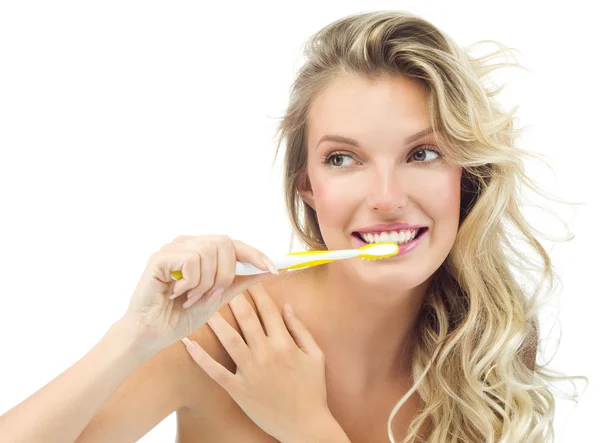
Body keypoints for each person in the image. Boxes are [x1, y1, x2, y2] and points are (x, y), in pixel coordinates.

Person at [0, 10, 588, 443]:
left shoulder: (483, 345)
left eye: (422, 154)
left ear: (468, 175)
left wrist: (307, 428)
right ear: (306, 184)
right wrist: (134, 337)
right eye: (344, 159)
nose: (386, 198)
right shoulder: (227, 333)